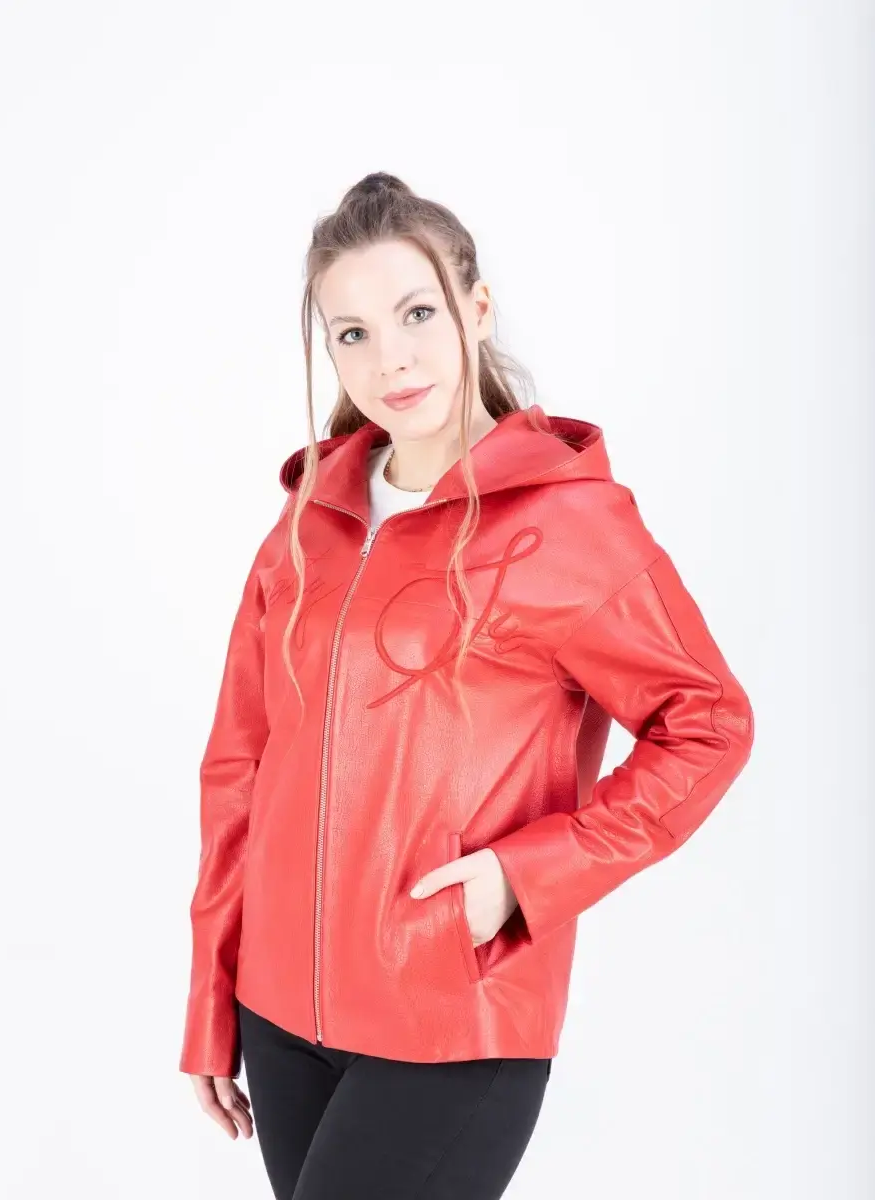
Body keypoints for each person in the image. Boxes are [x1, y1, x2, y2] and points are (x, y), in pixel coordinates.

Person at [178, 171, 755, 1198]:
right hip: (279, 1014)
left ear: (474, 309)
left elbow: (708, 723)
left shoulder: (567, 523)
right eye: (352, 333)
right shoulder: (307, 521)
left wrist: (530, 875)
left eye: (416, 314)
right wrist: (211, 993)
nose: (389, 359)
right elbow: (239, 767)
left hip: (452, 1014)